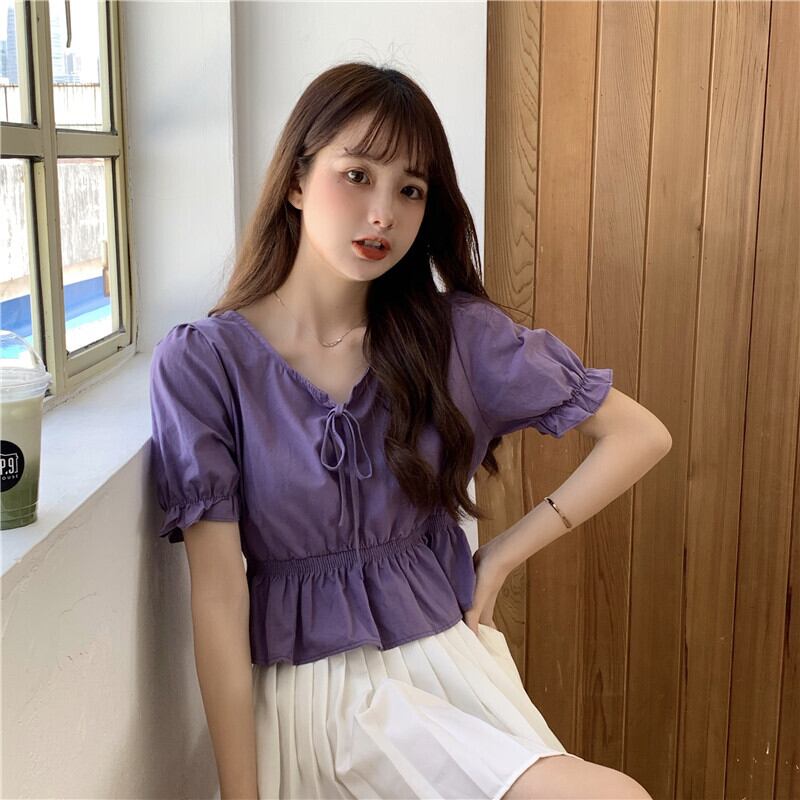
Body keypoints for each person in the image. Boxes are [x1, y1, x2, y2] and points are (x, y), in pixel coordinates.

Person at [149, 61, 667, 800]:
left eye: (410, 189)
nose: (383, 213)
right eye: (356, 175)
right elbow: (218, 596)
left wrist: (501, 557)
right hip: (319, 702)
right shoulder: (206, 362)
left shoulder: (453, 337)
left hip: (450, 668)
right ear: (296, 181)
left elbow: (640, 435)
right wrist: (240, 792)